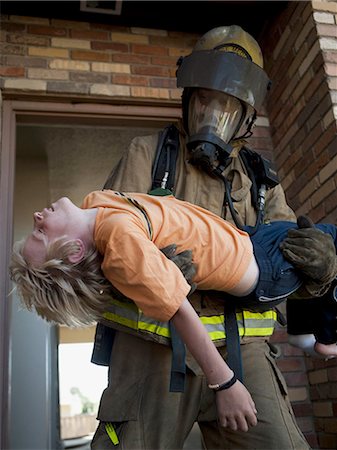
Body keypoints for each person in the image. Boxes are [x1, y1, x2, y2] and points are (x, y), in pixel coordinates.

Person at [52, 25, 337, 449]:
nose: (213, 113)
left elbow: (279, 273)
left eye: (228, 104)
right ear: (189, 99)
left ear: (247, 114)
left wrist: (319, 271)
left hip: (244, 353)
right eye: (205, 98)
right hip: (154, 351)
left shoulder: (262, 180)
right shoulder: (146, 155)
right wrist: (143, 273)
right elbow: (94, 251)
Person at [10, 189, 337, 360]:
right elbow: (136, 278)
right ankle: (323, 334)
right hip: (256, 273)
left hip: (248, 241)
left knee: (316, 245)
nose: (37, 215)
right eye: (39, 232)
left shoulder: (97, 202)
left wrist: (321, 274)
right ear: (72, 251)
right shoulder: (118, 238)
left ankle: (309, 327)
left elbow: (285, 223)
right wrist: (223, 382)